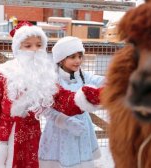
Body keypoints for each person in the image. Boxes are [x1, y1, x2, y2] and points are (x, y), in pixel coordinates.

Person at [0, 22, 100, 168]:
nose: (34, 50)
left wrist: (86, 97)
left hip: (31, 137)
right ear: (18, 48)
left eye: (38, 45)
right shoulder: (4, 74)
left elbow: (61, 98)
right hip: (5, 137)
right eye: (28, 46)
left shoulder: (44, 76)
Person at [38, 36, 105, 168]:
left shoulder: (83, 75)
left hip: (82, 126)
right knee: (62, 160)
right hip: (59, 129)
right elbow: (45, 107)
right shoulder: (52, 79)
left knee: (81, 161)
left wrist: (115, 80)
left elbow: (99, 80)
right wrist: (65, 121)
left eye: (80, 56)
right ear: (61, 59)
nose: (78, 60)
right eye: (72, 57)